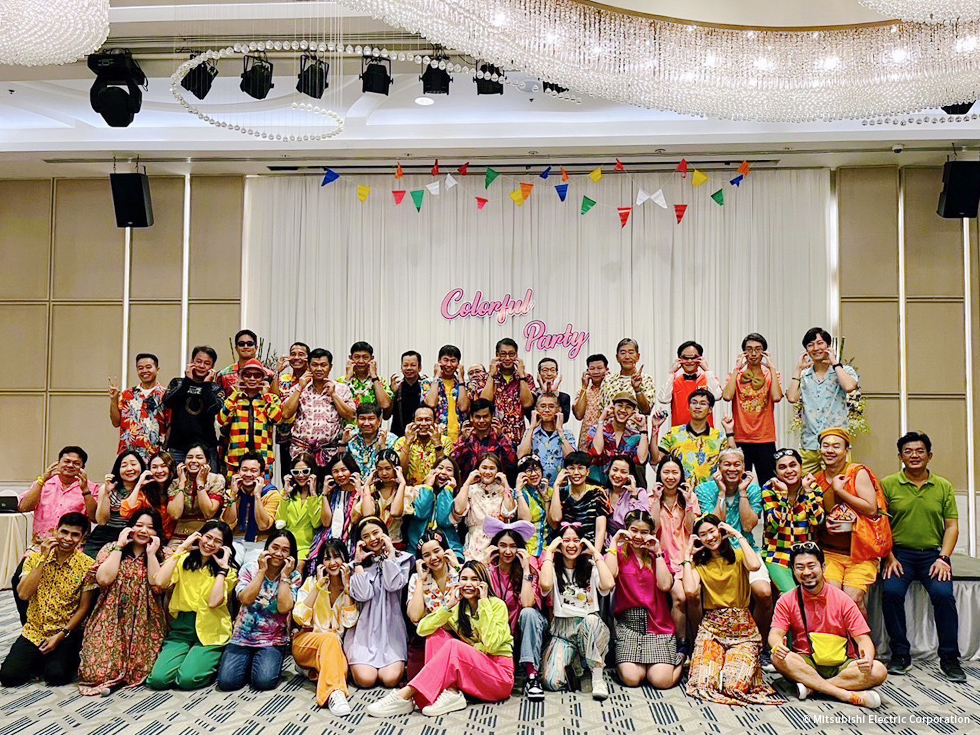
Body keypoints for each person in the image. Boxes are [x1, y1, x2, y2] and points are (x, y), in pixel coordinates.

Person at [367, 560, 515, 718]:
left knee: (454, 645)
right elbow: (422, 629)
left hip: (499, 678)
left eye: (474, 579)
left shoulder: (496, 605)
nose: (468, 584)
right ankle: (450, 692)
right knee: (435, 636)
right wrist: (448, 606)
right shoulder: (459, 608)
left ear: (483, 583)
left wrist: (483, 602)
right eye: (464, 579)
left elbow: (492, 645)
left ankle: (405, 694)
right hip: (475, 671)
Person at [880, 431, 965, 681]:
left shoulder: (943, 486)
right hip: (899, 555)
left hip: (932, 556)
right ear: (900, 457)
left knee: (943, 595)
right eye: (908, 451)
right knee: (891, 593)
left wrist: (944, 558)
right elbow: (880, 525)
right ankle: (900, 654)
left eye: (919, 451)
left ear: (929, 455)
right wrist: (888, 556)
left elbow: (952, 526)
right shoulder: (887, 485)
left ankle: (949, 658)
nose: (914, 455)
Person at [769, 543, 887, 708]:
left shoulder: (843, 599)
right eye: (800, 567)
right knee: (777, 657)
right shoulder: (787, 600)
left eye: (812, 566)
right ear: (793, 571)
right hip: (807, 662)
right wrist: (777, 645)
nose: (807, 572)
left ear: (823, 567)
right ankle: (846, 695)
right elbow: (775, 634)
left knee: (878, 670)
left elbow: (863, 638)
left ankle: (814, 688)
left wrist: (867, 657)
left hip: (842, 664)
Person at [682, 514, 782, 706]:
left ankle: (729, 669)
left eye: (712, 531)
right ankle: (718, 668)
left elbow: (755, 565)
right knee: (702, 684)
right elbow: (690, 590)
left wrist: (738, 535)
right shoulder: (699, 564)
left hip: (743, 632)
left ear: (721, 531)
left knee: (733, 686)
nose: (709, 537)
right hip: (712, 630)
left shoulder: (739, 556)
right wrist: (687, 556)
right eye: (703, 534)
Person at [695, 448, 773, 667]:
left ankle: (757, 645)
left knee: (764, 593)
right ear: (719, 467)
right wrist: (721, 492)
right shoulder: (705, 489)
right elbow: (713, 527)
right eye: (727, 464)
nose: (732, 468)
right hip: (715, 551)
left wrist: (743, 492)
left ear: (744, 467)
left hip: (745, 548)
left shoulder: (753, 489)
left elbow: (748, 525)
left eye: (737, 464)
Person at [0, 513, 97, 687]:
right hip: (34, 631)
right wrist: (43, 559)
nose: (68, 539)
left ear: (82, 538)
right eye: (64, 532)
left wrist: (61, 635)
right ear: (55, 531)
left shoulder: (87, 565)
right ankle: (39, 660)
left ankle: (55, 659)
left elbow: (84, 608)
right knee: (8, 677)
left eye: (75, 535)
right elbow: (23, 594)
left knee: (56, 677)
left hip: (64, 633)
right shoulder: (34, 558)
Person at [77, 509, 168, 695]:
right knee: (95, 673)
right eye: (139, 525)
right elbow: (104, 579)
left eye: (150, 527)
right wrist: (119, 546)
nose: (143, 531)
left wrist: (151, 554)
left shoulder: (164, 553)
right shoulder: (110, 548)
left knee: (144, 671)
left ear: (157, 532)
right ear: (129, 528)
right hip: (110, 616)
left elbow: (157, 586)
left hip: (145, 619)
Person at [147, 521, 238, 690]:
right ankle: (193, 660)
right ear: (199, 537)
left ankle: (211, 660)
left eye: (217, 541)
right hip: (182, 629)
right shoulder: (183, 560)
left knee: (187, 680)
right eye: (208, 537)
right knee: (158, 680)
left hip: (212, 631)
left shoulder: (229, 572)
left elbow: (214, 602)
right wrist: (181, 548)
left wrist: (222, 569)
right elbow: (159, 581)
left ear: (225, 547)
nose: (210, 543)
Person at [14, 447, 97, 622]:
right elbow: (24, 507)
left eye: (76, 463)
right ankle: (29, 624)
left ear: (82, 467)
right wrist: (41, 480)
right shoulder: (44, 484)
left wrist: (85, 490)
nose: (70, 465)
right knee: (18, 580)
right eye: (66, 461)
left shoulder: (90, 487)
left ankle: (65, 626)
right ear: (58, 463)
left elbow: (95, 517)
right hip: (40, 547)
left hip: (72, 548)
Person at [813, 428, 889, 618]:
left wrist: (840, 491)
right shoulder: (816, 479)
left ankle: (860, 637)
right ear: (820, 450)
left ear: (846, 450)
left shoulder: (856, 472)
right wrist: (824, 523)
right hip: (830, 553)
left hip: (860, 554)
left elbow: (871, 508)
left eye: (836, 446)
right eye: (826, 446)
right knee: (831, 597)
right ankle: (835, 638)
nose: (830, 450)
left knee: (853, 598)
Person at [604, 510, 682, 689]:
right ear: (626, 530)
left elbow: (665, 585)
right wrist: (614, 542)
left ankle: (682, 655)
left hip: (657, 624)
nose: (638, 536)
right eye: (634, 530)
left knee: (661, 681)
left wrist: (658, 553)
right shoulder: (618, 553)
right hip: (628, 626)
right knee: (632, 679)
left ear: (651, 533)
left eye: (644, 532)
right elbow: (609, 577)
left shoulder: (657, 556)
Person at [216, 529, 301, 692]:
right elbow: (245, 599)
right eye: (275, 547)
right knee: (227, 683)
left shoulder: (293, 576)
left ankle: (257, 662)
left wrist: (284, 577)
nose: (279, 553)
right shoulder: (249, 568)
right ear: (267, 548)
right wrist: (261, 571)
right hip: (242, 636)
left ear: (291, 555)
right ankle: (248, 662)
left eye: (285, 550)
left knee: (263, 682)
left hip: (272, 639)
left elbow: (284, 608)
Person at [538, 524, 614, 699]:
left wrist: (595, 552)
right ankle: (577, 663)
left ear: (582, 544)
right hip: (562, 632)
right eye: (566, 541)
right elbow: (545, 585)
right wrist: (549, 553)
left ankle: (597, 677)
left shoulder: (591, 567)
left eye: (576, 540)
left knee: (590, 620)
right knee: (551, 681)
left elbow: (609, 584)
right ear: (559, 544)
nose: (571, 545)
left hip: (590, 629)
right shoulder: (552, 568)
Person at [292, 540, 359, 714]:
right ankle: (335, 694)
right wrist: (318, 587)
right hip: (306, 640)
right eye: (327, 558)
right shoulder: (312, 582)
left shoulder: (351, 584)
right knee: (330, 642)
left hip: (334, 646)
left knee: (342, 670)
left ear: (345, 559)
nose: (332, 562)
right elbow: (299, 617)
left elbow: (349, 621)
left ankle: (310, 671)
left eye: (336, 556)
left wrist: (346, 588)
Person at [345, 517, 413, 688]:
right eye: (366, 536)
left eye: (376, 533)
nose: (372, 539)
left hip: (391, 631)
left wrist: (390, 555)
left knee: (390, 679)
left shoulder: (402, 559)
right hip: (364, 632)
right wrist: (359, 564)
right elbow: (363, 595)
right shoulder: (355, 566)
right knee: (365, 680)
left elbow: (392, 585)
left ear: (385, 533)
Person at [485, 519, 548, 701]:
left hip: (524, 631)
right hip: (498, 635)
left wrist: (526, 568)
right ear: (495, 547)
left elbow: (527, 603)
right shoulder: (489, 570)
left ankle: (532, 676)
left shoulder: (529, 570)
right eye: (503, 545)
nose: (508, 551)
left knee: (529, 613)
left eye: (513, 546)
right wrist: (485, 563)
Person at [785, 327, 860, 474]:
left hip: (835, 443)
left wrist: (835, 363)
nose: (816, 348)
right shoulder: (805, 375)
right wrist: (798, 369)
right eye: (810, 345)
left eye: (820, 343)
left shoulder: (844, 370)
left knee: (839, 482)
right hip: (810, 443)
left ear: (828, 346)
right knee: (805, 483)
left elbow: (849, 387)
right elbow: (792, 397)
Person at [650, 454, 700, 657]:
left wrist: (688, 503)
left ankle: (699, 641)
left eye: (674, 472)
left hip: (687, 558)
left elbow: (691, 528)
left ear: (681, 475)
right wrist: (656, 501)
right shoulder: (651, 497)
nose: (670, 477)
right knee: (679, 596)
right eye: (666, 472)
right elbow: (652, 529)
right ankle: (682, 643)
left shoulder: (690, 497)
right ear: (659, 474)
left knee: (693, 594)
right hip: (663, 560)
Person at [281, 348, 356, 474]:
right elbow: (286, 414)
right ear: (308, 367)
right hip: (301, 452)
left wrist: (334, 395)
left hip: (330, 452)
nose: (319, 369)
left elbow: (350, 416)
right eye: (315, 365)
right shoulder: (299, 388)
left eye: (323, 365)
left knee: (328, 484)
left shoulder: (341, 388)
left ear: (330, 367)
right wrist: (300, 388)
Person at [760, 449, 824, 593]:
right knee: (790, 594)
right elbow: (776, 524)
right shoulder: (769, 489)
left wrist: (808, 492)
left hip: (807, 553)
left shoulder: (812, 487)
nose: (789, 471)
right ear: (776, 472)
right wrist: (784, 497)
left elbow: (817, 521)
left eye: (793, 465)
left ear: (801, 467)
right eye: (782, 467)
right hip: (778, 553)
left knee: (815, 593)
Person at [722, 333, 783, 485]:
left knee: (769, 482)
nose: (753, 353)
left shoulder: (771, 375)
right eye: (749, 349)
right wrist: (736, 369)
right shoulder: (737, 375)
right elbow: (727, 396)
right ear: (744, 353)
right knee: (738, 482)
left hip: (765, 437)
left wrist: (772, 368)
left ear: (764, 352)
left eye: (758, 349)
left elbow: (776, 397)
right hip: (740, 437)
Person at [653, 389, 736, 487]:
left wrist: (729, 431)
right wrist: (655, 428)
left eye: (703, 403)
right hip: (680, 492)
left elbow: (733, 459)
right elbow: (655, 459)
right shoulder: (674, 434)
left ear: (710, 409)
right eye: (694, 403)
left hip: (708, 492)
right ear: (688, 407)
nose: (697, 406)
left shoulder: (719, 437)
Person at [217, 358, 283, 476]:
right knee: (234, 488)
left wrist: (266, 396)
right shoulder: (234, 398)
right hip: (236, 459)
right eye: (247, 375)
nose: (252, 379)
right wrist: (235, 394)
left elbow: (277, 420)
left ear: (263, 378)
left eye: (257, 376)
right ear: (241, 377)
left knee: (264, 488)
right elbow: (221, 420)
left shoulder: (271, 399)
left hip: (263, 459)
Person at [163, 346, 223, 467]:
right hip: (178, 448)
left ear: (212, 367)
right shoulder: (177, 383)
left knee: (210, 479)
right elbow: (167, 402)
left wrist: (206, 385)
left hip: (206, 448)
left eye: (207, 363)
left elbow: (215, 409)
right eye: (198, 361)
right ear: (191, 362)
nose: (202, 366)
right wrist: (187, 381)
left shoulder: (215, 388)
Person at [108, 353, 170, 461]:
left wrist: (165, 451)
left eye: (148, 367)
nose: (144, 371)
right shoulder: (127, 394)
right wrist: (114, 399)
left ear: (157, 369)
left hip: (155, 457)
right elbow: (115, 422)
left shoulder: (166, 395)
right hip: (128, 455)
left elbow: (170, 425)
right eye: (140, 368)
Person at [454, 453, 518, 558]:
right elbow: (458, 510)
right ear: (478, 469)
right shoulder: (471, 489)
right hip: (475, 541)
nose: (487, 472)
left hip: (497, 540)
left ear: (497, 471)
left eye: (492, 468)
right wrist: (467, 483)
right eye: (484, 468)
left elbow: (509, 513)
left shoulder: (503, 490)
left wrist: (506, 484)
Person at [402, 457, 465, 559]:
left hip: (449, 547)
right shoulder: (419, 490)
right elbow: (421, 514)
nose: (443, 472)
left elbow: (443, 520)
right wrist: (428, 486)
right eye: (440, 468)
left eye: (449, 470)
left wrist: (448, 490)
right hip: (417, 547)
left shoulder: (457, 497)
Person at [87, 449, 146, 558]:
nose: (129, 469)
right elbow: (101, 521)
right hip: (104, 535)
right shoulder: (108, 487)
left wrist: (139, 485)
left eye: (133, 464)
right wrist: (106, 494)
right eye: (124, 465)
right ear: (118, 469)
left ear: (141, 466)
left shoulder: (147, 489)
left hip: (131, 537)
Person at [170, 443, 232, 545]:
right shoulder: (176, 482)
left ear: (207, 462)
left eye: (199, 457)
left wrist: (200, 484)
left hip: (208, 538)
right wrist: (181, 485)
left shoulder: (216, 480)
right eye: (189, 457)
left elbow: (208, 513)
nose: (193, 461)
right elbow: (175, 514)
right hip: (179, 538)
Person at [480, 338, 537, 446]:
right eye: (503, 354)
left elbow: (527, 404)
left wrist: (521, 376)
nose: (507, 358)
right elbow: (484, 403)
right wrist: (491, 375)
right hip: (493, 438)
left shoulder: (527, 377)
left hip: (518, 438)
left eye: (511, 354)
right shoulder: (485, 377)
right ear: (497, 355)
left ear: (516, 356)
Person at [547, 451, 608, 550]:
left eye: (580, 468)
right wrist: (556, 485)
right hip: (566, 547)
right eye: (571, 468)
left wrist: (595, 554)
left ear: (587, 471)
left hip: (589, 547)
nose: (576, 473)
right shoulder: (561, 493)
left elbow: (600, 529)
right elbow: (555, 519)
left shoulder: (597, 493)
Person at [587, 392, 649, 485]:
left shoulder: (635, 435)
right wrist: (601, 420)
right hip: (596, 484)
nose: (623, 410)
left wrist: (643, 429)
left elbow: (641, 460)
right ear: (613, 408)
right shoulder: (596, 429)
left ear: (633, 412)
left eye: (628, 407)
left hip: (622, 486)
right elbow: (597, 451)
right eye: (620, 405)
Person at [656, 341, 723, 428]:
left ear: (700, 359)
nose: (689, 361)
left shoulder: (708, 379)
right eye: (685, 358)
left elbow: (717, 396)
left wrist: (707, 370)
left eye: (694, 358)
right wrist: (671, 373)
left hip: (705, 433)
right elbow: (663, 399)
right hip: (679, 432)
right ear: (679, 360)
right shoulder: (674, 381)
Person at [120, 450, 183, 540]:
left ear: (171, 468)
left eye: (163, 466)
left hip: (172, 539)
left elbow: (175, 515)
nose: (159, 471)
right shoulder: (146, 492)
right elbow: (126, 513)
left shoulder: (177, 489)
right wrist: (138, 485)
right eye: (154, 467)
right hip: (147, 539)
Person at [275, 454, 325, 567]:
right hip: (286, 543)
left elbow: (316, 523)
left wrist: (313, 494)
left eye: (305, 471)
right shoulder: (287, 493)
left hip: (307, 546)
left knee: (299, 565)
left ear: (312, 472)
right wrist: (286, 494)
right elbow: (280, 522)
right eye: (296, 472)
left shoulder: (320, 496)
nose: (301, 475)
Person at [271, 341, 310, 481]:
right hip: (286, 436)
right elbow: (274, 399)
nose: (296, 357)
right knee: (288, 476)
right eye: (293, 354)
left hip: (307, 437)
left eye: (301, 354)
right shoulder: (283, 379)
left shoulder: (312, 379)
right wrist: (277, 372)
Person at [518, 392, 576, 486]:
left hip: (560, 487)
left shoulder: (567, 434)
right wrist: (532, 428)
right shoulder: (530, 433)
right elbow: (521, 456)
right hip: (536, 487)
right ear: (536, 410)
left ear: (559, 410)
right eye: (543, 406)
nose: (547, 410)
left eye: (551, 406)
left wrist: (560, 431)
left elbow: (572, 460)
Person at [352, 449, 407, 547]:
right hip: (373, 544)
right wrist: (366, 486)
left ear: (396, 469)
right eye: (380, 469)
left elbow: (395, 512)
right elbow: (368, 514)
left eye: (388, 468)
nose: (384, 473)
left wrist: (402, 483)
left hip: (395, 543)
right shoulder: (372, 490)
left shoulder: (405, 491)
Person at [451, 398, 518, 478]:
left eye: (485, 416)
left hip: (496, 483)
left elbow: (512, 463)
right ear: (471, 417)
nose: (482, 421)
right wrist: (464, 441)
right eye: (478, 417)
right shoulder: (466, 439)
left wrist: (501, 438)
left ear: (492, 416)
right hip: (470, 483)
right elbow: (453, 464)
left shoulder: (500, 438)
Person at [407, 531, 462, 625]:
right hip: (434, 631)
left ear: (445, 551)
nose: (433, 558)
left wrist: (457, 567)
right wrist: (421, 580)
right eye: (427, 555)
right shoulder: (416, 579)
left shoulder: (460, 571)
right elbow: (415, 616)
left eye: (436, 551)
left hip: (462, 629)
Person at [228, 453, 280, 547]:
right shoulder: (231, 493)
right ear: (238, 472)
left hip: (261, 542)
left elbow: (263, 525)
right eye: (244, 470)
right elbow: (227, 523)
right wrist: (233, 495)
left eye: (253, 471)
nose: (248, 474)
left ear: (262, 474)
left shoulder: (272, 494)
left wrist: (257, 496)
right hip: (234, 540)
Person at [423, 344, 470, 446]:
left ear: (458, 364)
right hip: (436, 438)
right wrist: (436, 377)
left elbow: (463, 407)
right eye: (445, 360)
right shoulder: (428, 382)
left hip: (460, 439)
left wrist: (461, 380)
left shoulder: (465, 384)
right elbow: (431, 403)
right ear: (439, 362)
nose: (449, 365)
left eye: (453, 361)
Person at [599, 338, 657, 415]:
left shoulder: (646, 380)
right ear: (617, 357)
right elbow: (602, 410)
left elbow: (646, 411)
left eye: (631, 352)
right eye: (623, 353)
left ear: (638, 356)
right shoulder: (608, 380)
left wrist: (637, 389)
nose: (627, 357)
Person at [394, 406, 450, 485]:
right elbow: (399, 471)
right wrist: (408, 443)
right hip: (409, 489)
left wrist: (437, 443)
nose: (423, 424)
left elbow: (445, 470)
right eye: (419, 420)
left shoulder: (445, 441)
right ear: (413, 422)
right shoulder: (402, 441)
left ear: (435, 422)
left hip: (436, 489)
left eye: (428, 420)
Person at [338, 341, 393, 419]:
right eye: (357, 357)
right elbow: (337, 406)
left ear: (372, 359)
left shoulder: (379, 380)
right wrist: (348, 379)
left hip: (372, 425)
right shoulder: (341, 381)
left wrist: (374, 377)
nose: (361, 361)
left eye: (365, 357)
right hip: (347, 425)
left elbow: (385, 405)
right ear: (350, 358)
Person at [514, 456, 553, 557]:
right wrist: (518, 490)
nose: (534, 474)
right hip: (528, 550)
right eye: (529, 471)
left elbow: (553, 523)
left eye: (536, 469)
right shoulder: (519, 493)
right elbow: (526, 520)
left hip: (547, 548)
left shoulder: (549, 491)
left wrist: (546, 499)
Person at [345, 403, 398, 475]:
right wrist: (343, 443)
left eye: (371, 419)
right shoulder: (351, 437)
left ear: (379, 421)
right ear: (356, 420)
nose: (366, 423)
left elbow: (393, 470)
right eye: (362, 419)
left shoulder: (391, 440)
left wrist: (382, 446)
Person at [320, 453, 361, 545]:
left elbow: (354, 519)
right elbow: (326, 523)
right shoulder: (332, 493)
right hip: (330, 540)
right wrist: (324, 494)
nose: (340, 475)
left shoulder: (362, 492)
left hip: (353, 540)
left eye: (344, 470)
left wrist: (358, 492)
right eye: (335, 471)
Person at [217, 329, 271, 397]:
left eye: (250, 344)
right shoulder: (224, 374)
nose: (245, 347)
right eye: (241, 344)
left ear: (256, 348)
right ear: (236, 348)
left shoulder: (269, 375)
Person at [572, 353, 610, 450]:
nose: (596, 372)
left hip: (607, 440)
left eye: (599, 368)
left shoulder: (612, 388)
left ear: (607, 370)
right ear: (587, 371)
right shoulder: (583, 390)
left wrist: (608, 382)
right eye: (592, 369)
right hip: (586, 441)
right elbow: (579, 415)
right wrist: (584, 386)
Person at [605, 455, 649, 537]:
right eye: (615, 470)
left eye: (623, 472)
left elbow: (641, 522)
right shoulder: (603, 494)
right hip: (608, 542)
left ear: (630, 476)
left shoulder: (640, 493)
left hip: (632, 541)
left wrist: (633, 495)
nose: (617, 475)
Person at [390, 350, 424, 437]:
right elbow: (386, 415)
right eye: (405, 365)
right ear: (401, 368)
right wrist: (393, 393)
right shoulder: (395, 387)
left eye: (413, 365)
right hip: (398, 436)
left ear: (419, 367)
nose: (409, 368)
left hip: (422, 435)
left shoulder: (426, 386)